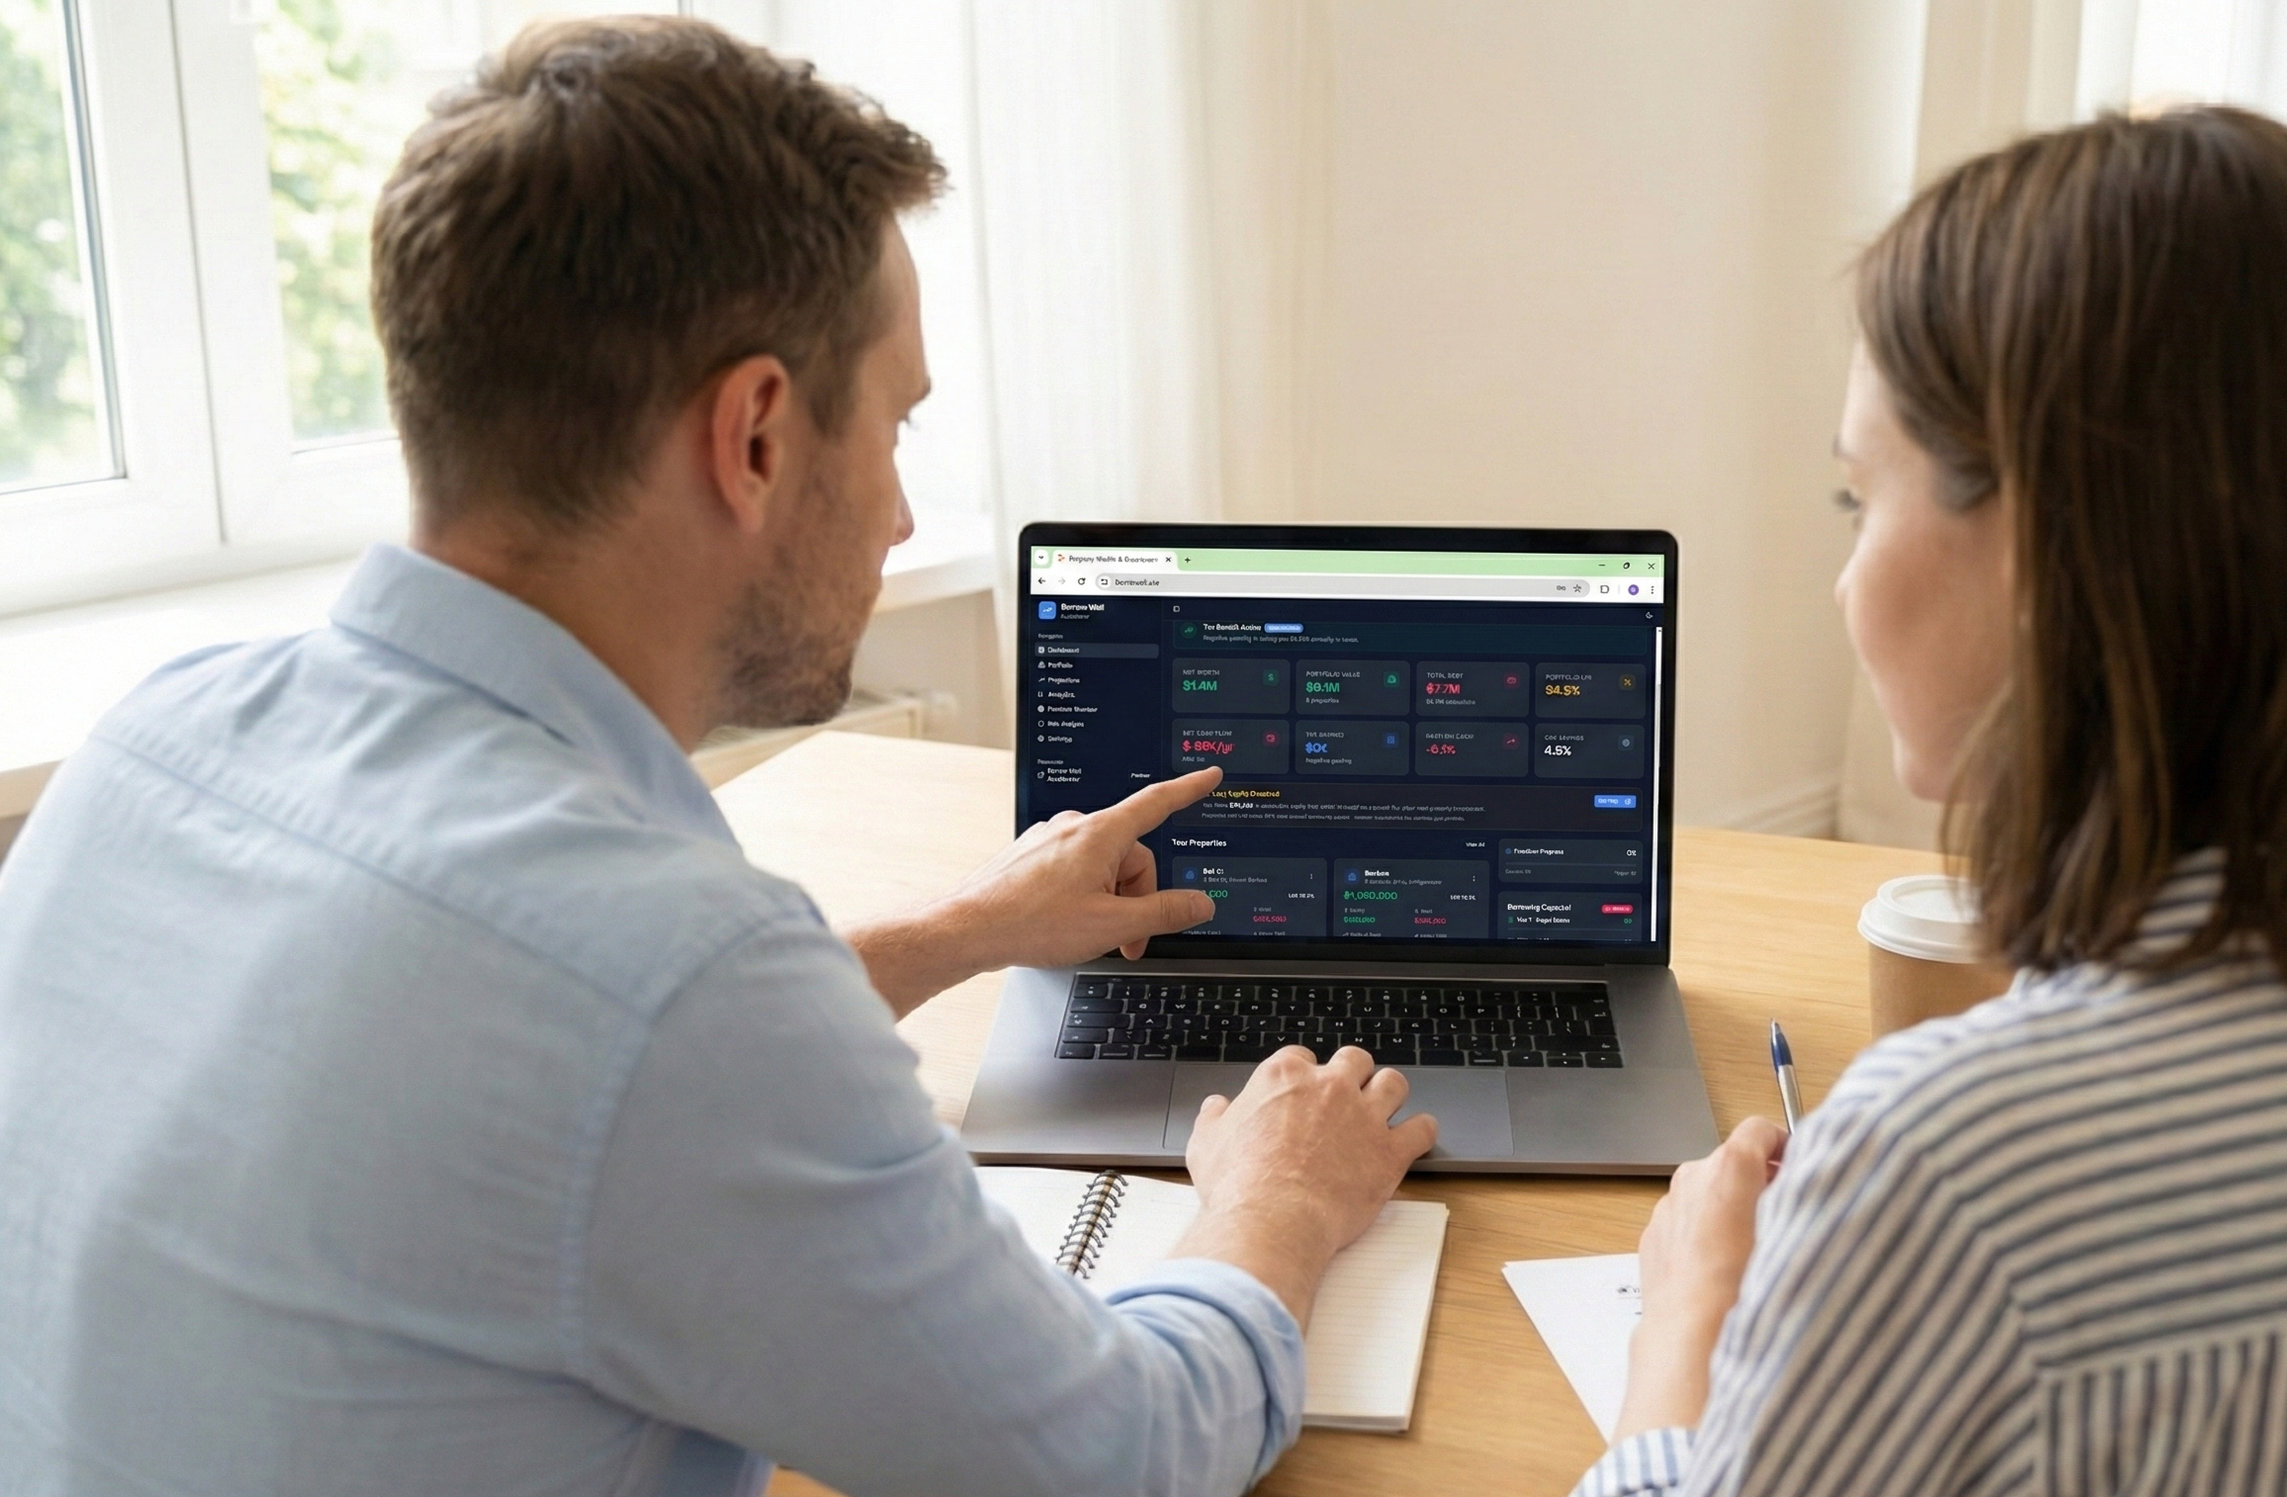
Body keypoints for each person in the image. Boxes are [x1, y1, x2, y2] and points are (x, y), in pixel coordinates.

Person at [0, 18, 1434, 1497]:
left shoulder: (150, 748)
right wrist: (1280, 1200)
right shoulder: (667, 986)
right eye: (894, 425)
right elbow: (1122, 1454)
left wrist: (966, 930)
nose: (895, 517)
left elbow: (553, 1056)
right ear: (753, 434)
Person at [1573, 104, 2287, 1496]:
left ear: (2045, 553)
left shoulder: (1952, 1169)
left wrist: (1689, 1322)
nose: (1845, 582)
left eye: (1854, 499)